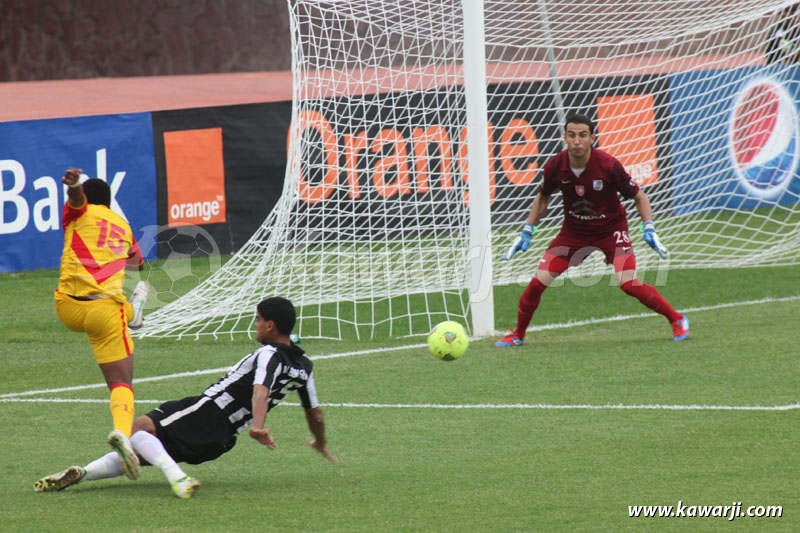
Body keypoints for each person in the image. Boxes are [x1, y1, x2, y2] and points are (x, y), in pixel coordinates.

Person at [34, 297, 337, 499]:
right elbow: (316, 414)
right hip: (223, 438)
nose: (256, 324)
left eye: (258, 319)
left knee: (134, 429)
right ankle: (82, 474)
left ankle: (177, 478)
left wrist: (259, 426)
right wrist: (321, 442)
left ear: (270, 325)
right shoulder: (303, 367)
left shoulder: (268, 353)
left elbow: (261, 388)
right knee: (140, 453)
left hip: (207, 409)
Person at [497, 114, 689, 347]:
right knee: (537, 283)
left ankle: (677, 319)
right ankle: (518, 334)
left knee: (628, 283)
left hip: (611, 229)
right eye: (572, 135)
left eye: (582, 135)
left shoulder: (608, 165)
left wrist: (649, 227)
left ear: (592, 138)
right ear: (565, 137)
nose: (577, 141)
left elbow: (639, 197)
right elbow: (543, 197)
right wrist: (527, 230)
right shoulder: (555, 165)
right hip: (574, 232)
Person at [54, 167, 150, 480]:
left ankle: (132, 313)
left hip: (67, 307)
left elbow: (77, 201)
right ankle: (122, 434)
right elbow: (138, 262)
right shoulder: (121, 224)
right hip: (104, 313)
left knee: (117, 305)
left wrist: (73, 187)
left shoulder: (78, 214)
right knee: (122, 384)